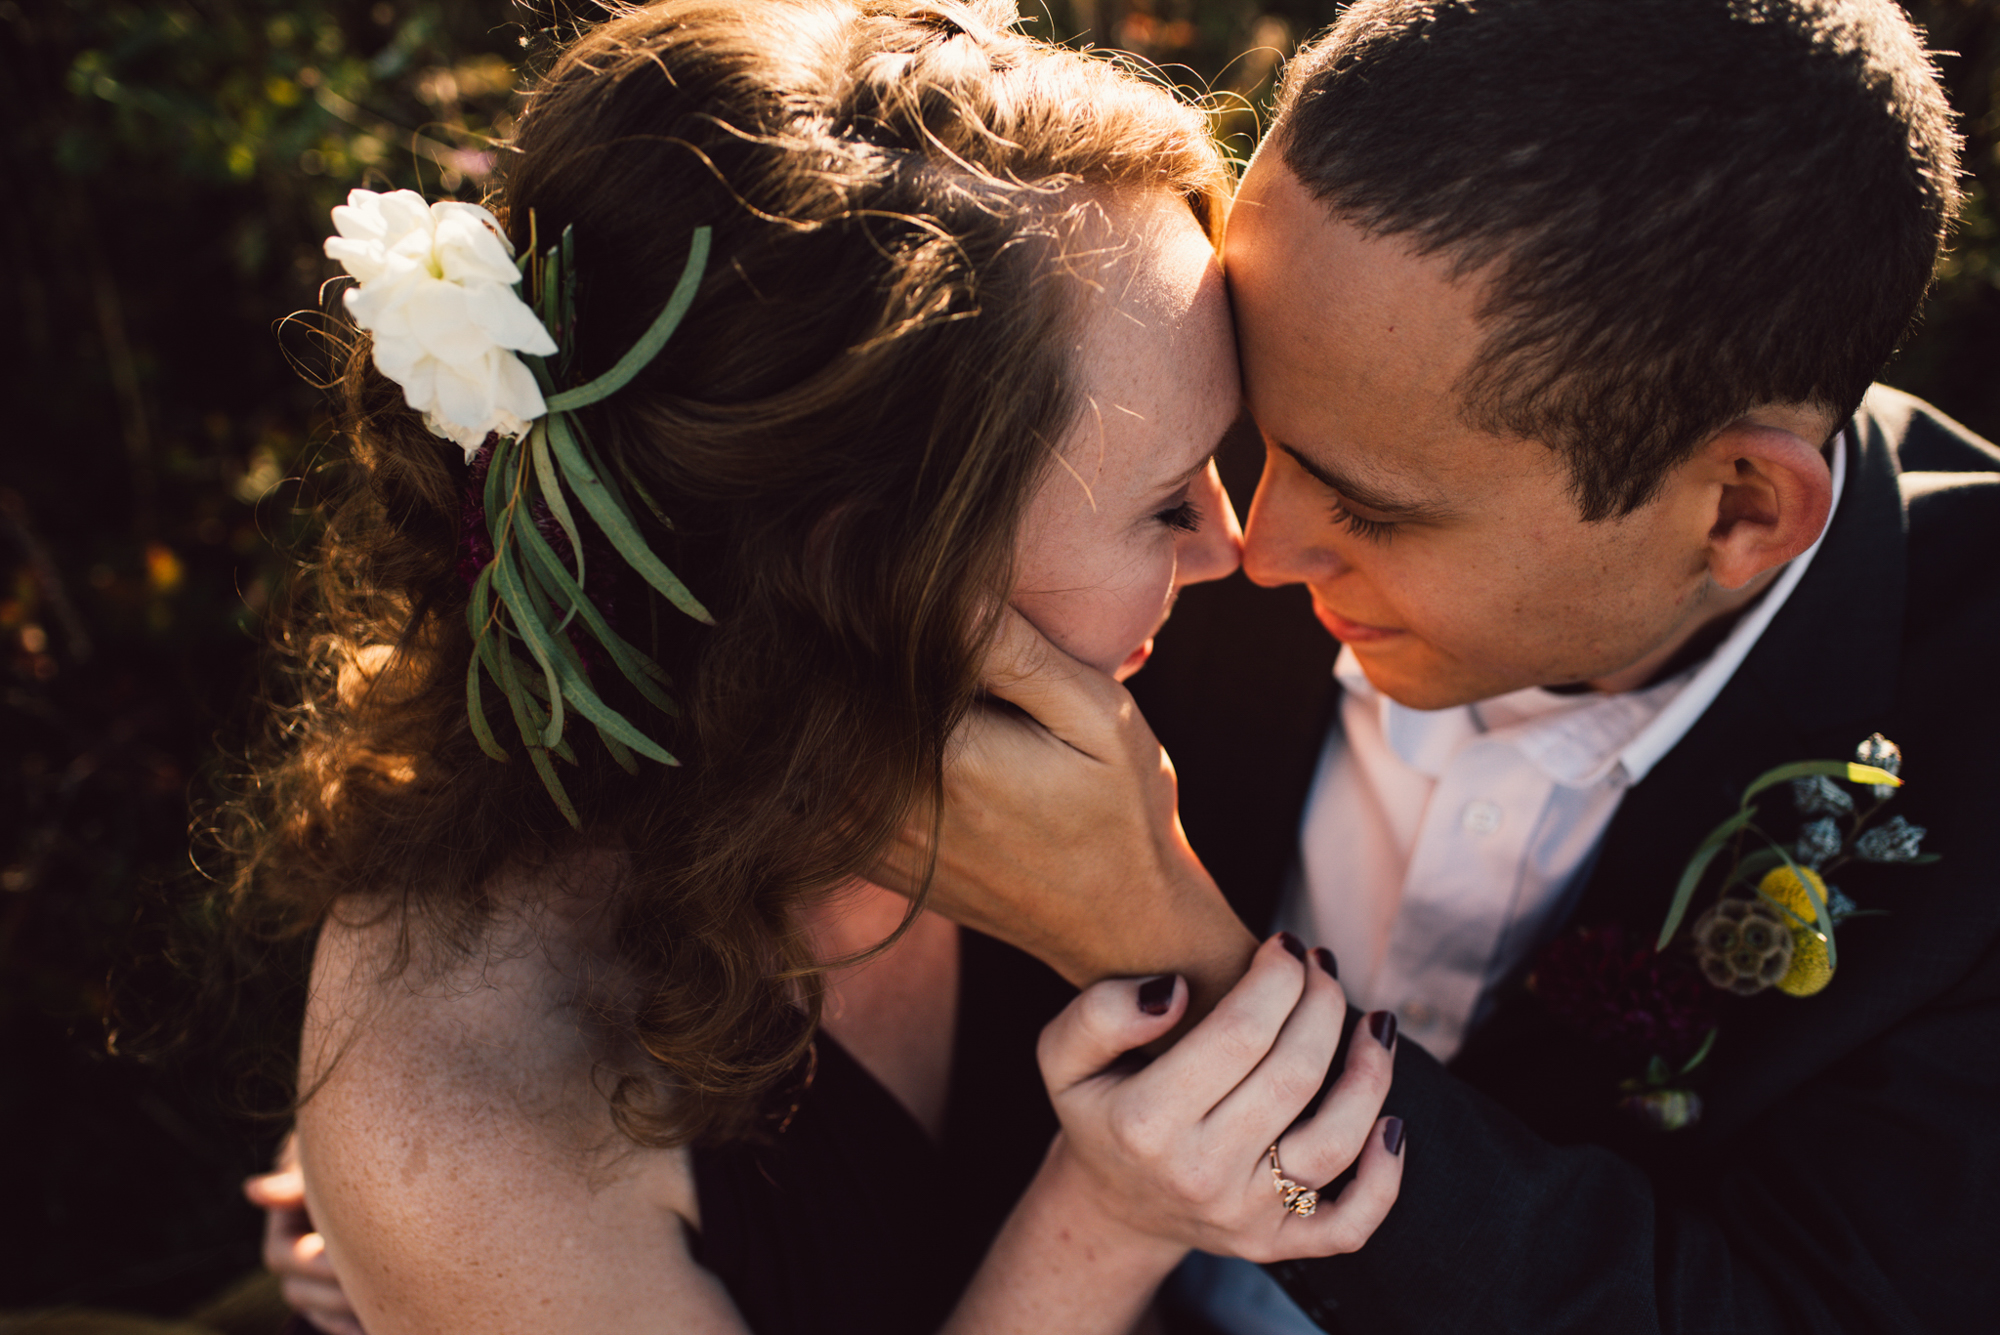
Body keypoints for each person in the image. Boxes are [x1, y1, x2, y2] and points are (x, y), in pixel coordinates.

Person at [218, 3, 1407, 1334]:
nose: (1241, 550)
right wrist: (1109, 1222)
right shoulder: (481, 1109)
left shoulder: (1092, 666)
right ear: (870, 564)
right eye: (1165, 504)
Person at [908, 0, 2000, 1331]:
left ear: (1737, 513)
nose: (1251, 548)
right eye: (1261, 438)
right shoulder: (1196, 458)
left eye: (1370, 508)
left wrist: (1150, 938)